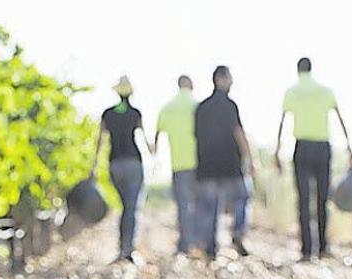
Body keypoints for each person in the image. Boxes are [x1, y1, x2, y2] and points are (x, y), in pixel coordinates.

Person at [274, 57, 352, 260]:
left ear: (298, 71)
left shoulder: (292, 92)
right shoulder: (325, 91)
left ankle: (306, 249)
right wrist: (349, 148)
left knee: (303, 200)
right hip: (322, 148)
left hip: (302, 148)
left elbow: (283, 122)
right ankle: (323, 247)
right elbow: (340, 118)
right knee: (321, 198)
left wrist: (277, 151)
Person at [194, 66, 254, 259]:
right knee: (242, 197)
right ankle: (237, 232)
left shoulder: (201, 108)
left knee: (209, 208)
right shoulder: (229, 105)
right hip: (230, 166)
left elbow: (196, 136)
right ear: (221, 79)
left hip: (207, 167)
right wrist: (250, 159)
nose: (231, 82)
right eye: (229, 78)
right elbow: (238, 132)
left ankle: (210, 249)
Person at [93, 75, 151, 263]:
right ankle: (127, 248)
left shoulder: (108, 114)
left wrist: (93, 166)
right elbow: (145, 139)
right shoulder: (135, 113)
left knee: (126, 207)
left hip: (115, 164)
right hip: (134, 163)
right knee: (131, 207)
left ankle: (124, 248)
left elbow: (100, 142)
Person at [154, 75, 199, 255]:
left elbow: (158, 133)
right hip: (197, 163)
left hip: (177, 164)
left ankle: (184, 244)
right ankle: (196, 241)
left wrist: (155, 155)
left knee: (182, 206)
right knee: (196, 205)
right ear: (190, 85)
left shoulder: (168, 107)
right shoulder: (196, 106)